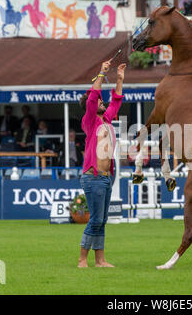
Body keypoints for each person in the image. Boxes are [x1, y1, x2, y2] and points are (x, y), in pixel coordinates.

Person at [77, 60, 126, 268]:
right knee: (95, 219)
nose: (101, 102)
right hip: (93, 177)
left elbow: (115, 102)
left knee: (102, 220)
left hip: (106, 178)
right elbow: (93, 97)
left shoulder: (105, 119)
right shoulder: (89, 120)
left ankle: (100, 260)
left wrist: (120, 80)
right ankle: (82, 259)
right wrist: (101, 73)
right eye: (98, 101)